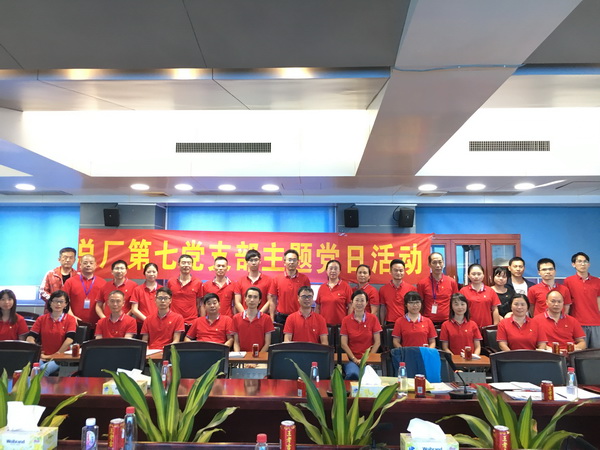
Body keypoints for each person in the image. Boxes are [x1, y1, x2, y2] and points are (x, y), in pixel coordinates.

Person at [27, 290, 77, 375]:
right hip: (43, 356)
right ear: (50, 303)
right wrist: (38, 352)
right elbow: (30, 338)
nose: (58, 304)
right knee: (32, 369)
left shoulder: (70, 319)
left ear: (66, 304)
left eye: (61, 302)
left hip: (61, 357)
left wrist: (56, 354)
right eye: (55, 301)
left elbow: (69, 340)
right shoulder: (41, 319)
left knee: (43, 370)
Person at [340, 289, 382, 380]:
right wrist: (354, 359)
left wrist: (368, 359)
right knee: (353, 374)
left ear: (366, 303)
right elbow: (343, 344)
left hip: (369, 360)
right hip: (351, 359)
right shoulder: (346, 320)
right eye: (357, 300)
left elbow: (377, 342)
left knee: (368, 378)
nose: (359, 303)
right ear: (352, 302)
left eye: (362, 300)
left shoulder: (373, 319)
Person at [563, 252, 600, 348]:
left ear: (589, 264)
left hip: (596, 323)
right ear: (573, 264)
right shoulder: (568, 281)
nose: (583, 264)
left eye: (585, 261)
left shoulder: (597, 281)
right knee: (579, 353)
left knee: (596, 353)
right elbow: (567, 303)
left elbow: (598, 302)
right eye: (579, 261)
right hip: (577, 323)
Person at [270, 249, 311, 325]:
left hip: (299, 316)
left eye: (294, 260)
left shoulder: (304, 279)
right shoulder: (277, 279)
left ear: (297, 262)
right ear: (284, 262)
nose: (292, 262)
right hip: (281, 318)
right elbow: (273, 300)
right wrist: (272, 319)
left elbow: (308, 299)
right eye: (289, 260)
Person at [63, 254, 106, 325]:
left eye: (91, 263)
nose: (88, 265)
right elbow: (64, 302)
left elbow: (106, 304)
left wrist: (103, 319)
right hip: (75, 322)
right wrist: (72, 317)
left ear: (95, 265)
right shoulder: (70, 282)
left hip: (97, 323)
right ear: (80, 265)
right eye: (85, 263)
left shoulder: (103, 283)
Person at [417, 252, 459, 326]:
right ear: (429, 264)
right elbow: (419, 304)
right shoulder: (422, 283)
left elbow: (456, 302)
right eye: (434, 262)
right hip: (428, 321)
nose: (438, 265)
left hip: (448, 321)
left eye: (440, 262)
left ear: (443, 263)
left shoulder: (451, 282)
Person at [232, 287, 275, 352]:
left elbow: (267, 344)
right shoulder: (236, 318)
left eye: (255, 297)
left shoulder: (266, 318)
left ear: (259, 300)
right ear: (245, 299)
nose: (252, 300)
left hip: (260, 355)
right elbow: (236, 343)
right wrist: (238, 356)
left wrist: (258, 357)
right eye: (249, 297)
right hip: (242, 355)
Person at [459, 264, 500, 328]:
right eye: (473, 274)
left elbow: (495, 309)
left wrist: (495, 326)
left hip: (487, 327)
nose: (476, 276)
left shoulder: (490, 291)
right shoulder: (463, 291)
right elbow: (459, 310)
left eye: (479, 274)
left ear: (483, 275)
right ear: (468, 275)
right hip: (468, 327)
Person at [233, 249, 273, 315]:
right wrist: (246, 315)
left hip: (262, 317)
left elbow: (270, 300)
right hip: (244, 317)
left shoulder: (269, 280)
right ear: (247, 262)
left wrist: (259, 314)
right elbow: (237, 302)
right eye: (251, 260)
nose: (254, 263)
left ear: (260, 261)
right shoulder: (240, 281)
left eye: (256, 260)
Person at [167, 254, 203, 325]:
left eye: (189, 263)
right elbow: (168, 301)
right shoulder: (171, 282)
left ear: (192, 265)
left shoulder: (198, 283)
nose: (186, 265)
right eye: (183, 263)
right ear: (178, 265)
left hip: (191, 321)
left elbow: (198, 304)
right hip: (173, 321)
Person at [315, 259, 353, 326]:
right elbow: (318, 307)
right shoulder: (322, 287)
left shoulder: (346, 286)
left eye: (335, 269)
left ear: (339, 271)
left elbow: (351, 306)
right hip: (324, 325)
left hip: (341, 325)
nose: (333, 271)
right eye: (331, 268)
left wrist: (348, 322)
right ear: (326, 271)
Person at [379, 259, 415, 326]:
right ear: (390, 271)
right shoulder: (383, 289)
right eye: (395, 270)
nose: (398, 273)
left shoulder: (411, 289)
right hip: (390, 323)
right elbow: (383, 308)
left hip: (407, 322)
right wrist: (382, 324)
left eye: (401, 270)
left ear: (404, 271)